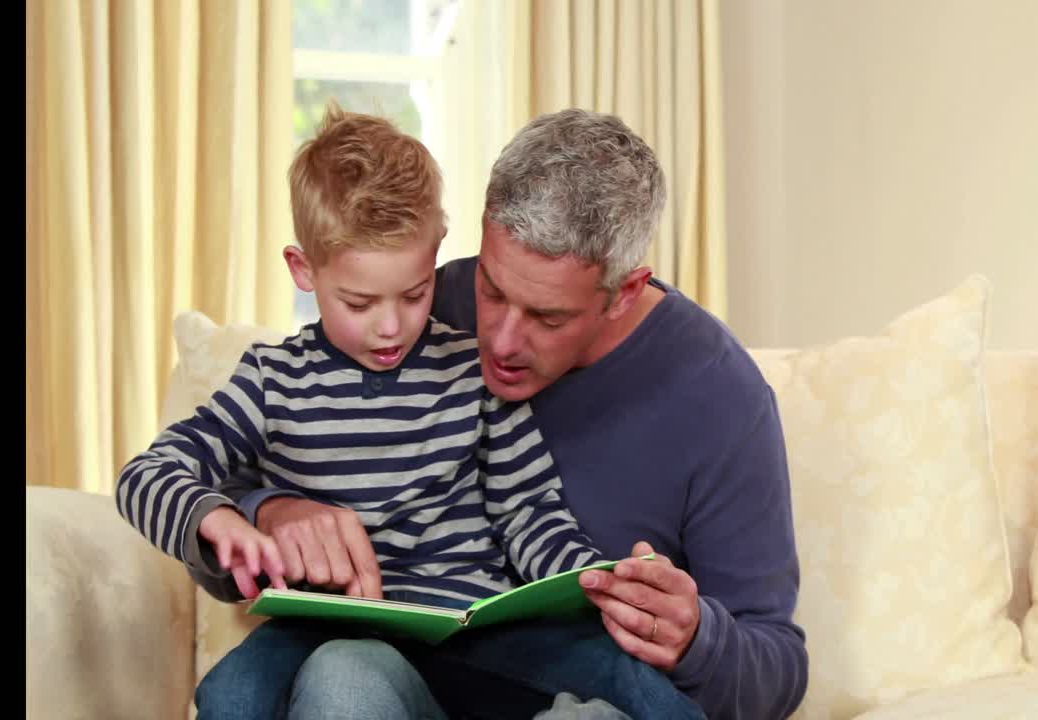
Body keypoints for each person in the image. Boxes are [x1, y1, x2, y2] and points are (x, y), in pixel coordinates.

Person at [220, 108, 808, 720]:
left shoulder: (720, 396)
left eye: (548, 317)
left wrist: (697, 641)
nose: (498, 340)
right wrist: (274, 509)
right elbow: (245, 465)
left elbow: (777, 669)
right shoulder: (415, 308)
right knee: (342, 675)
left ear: (624, 293)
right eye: (493, 290)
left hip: (574, 696)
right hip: (400, 682)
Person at [114, 102, 684, 720]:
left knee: (634, 685)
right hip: (335, 630)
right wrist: (213, 517)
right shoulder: (271, 380)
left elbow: (529, 513)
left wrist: (592, 578)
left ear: (437, 248)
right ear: (303, 270)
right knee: (233, 695)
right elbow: (144, 476)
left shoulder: (472, 369)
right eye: (359, 302)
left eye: (414, 294)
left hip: (474, 629)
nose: (390, 329)